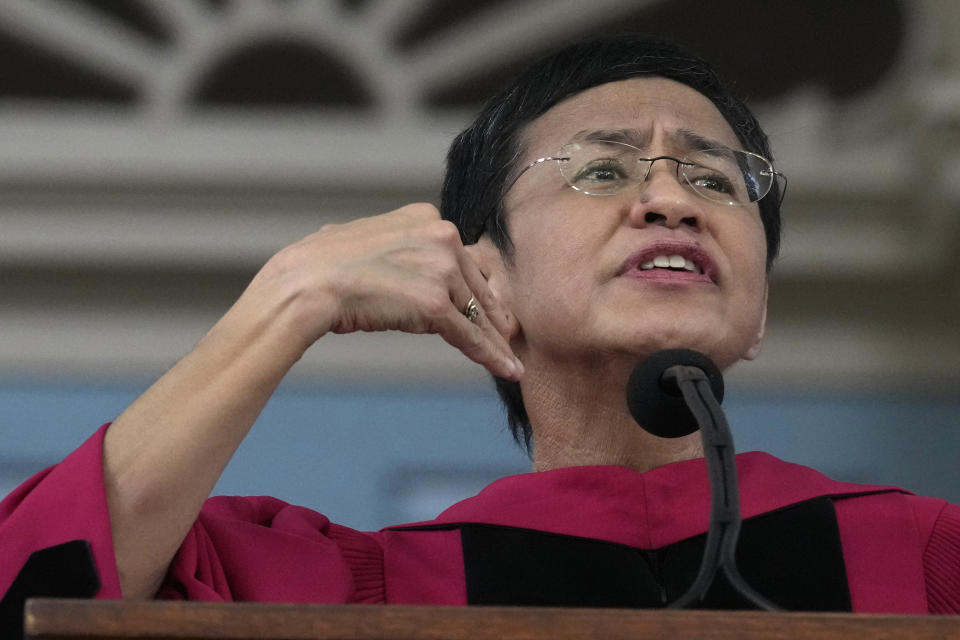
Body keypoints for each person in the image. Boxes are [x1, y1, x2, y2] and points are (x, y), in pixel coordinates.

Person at [1, 34, 958, 615]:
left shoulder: (923, 562)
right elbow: (34, 596)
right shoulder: (374, 598)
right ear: (482, 283)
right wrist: (289, 296)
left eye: (714, 178)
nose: (671, 198)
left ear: (757, 316)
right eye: (601, 169)